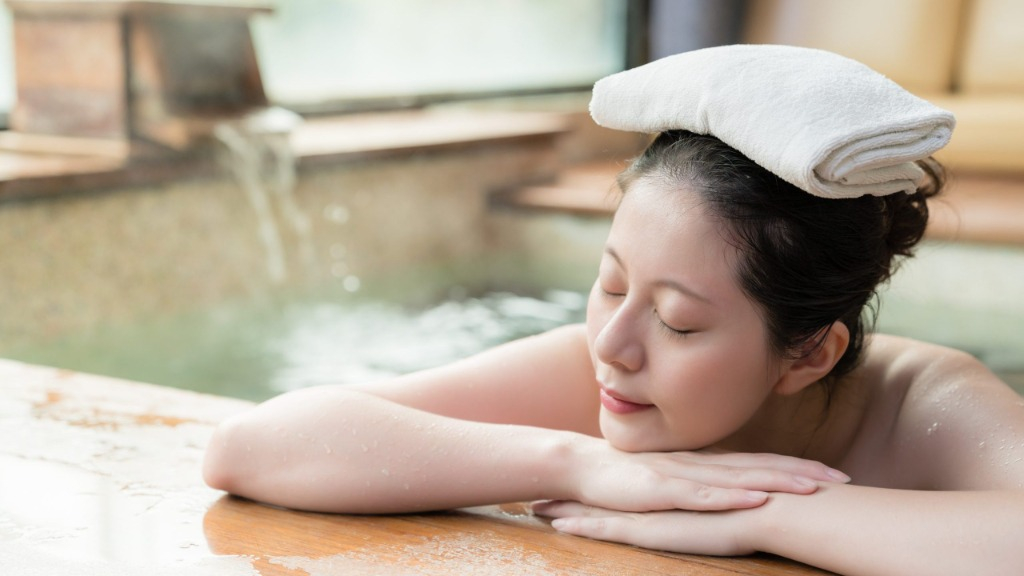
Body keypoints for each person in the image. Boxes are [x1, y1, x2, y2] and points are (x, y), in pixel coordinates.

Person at [203, 47, 1024, 576]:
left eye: (679, 322)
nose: (615, 346)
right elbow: (254, 447)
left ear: (810, 353)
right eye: (611, 283)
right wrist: (580, 464)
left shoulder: (927, 405)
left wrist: (757, 514)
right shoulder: (586, 370)